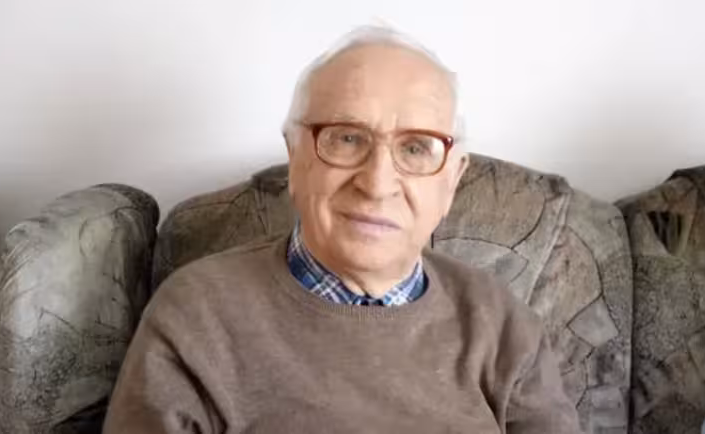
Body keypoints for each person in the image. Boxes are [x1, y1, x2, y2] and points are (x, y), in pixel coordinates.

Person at [103, 26, 581, 434]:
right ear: (295, 157)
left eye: (416, 148)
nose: (377, 183)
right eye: (348, 138)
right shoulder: (195, 316)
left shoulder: (502, 321)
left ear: (452, 181)